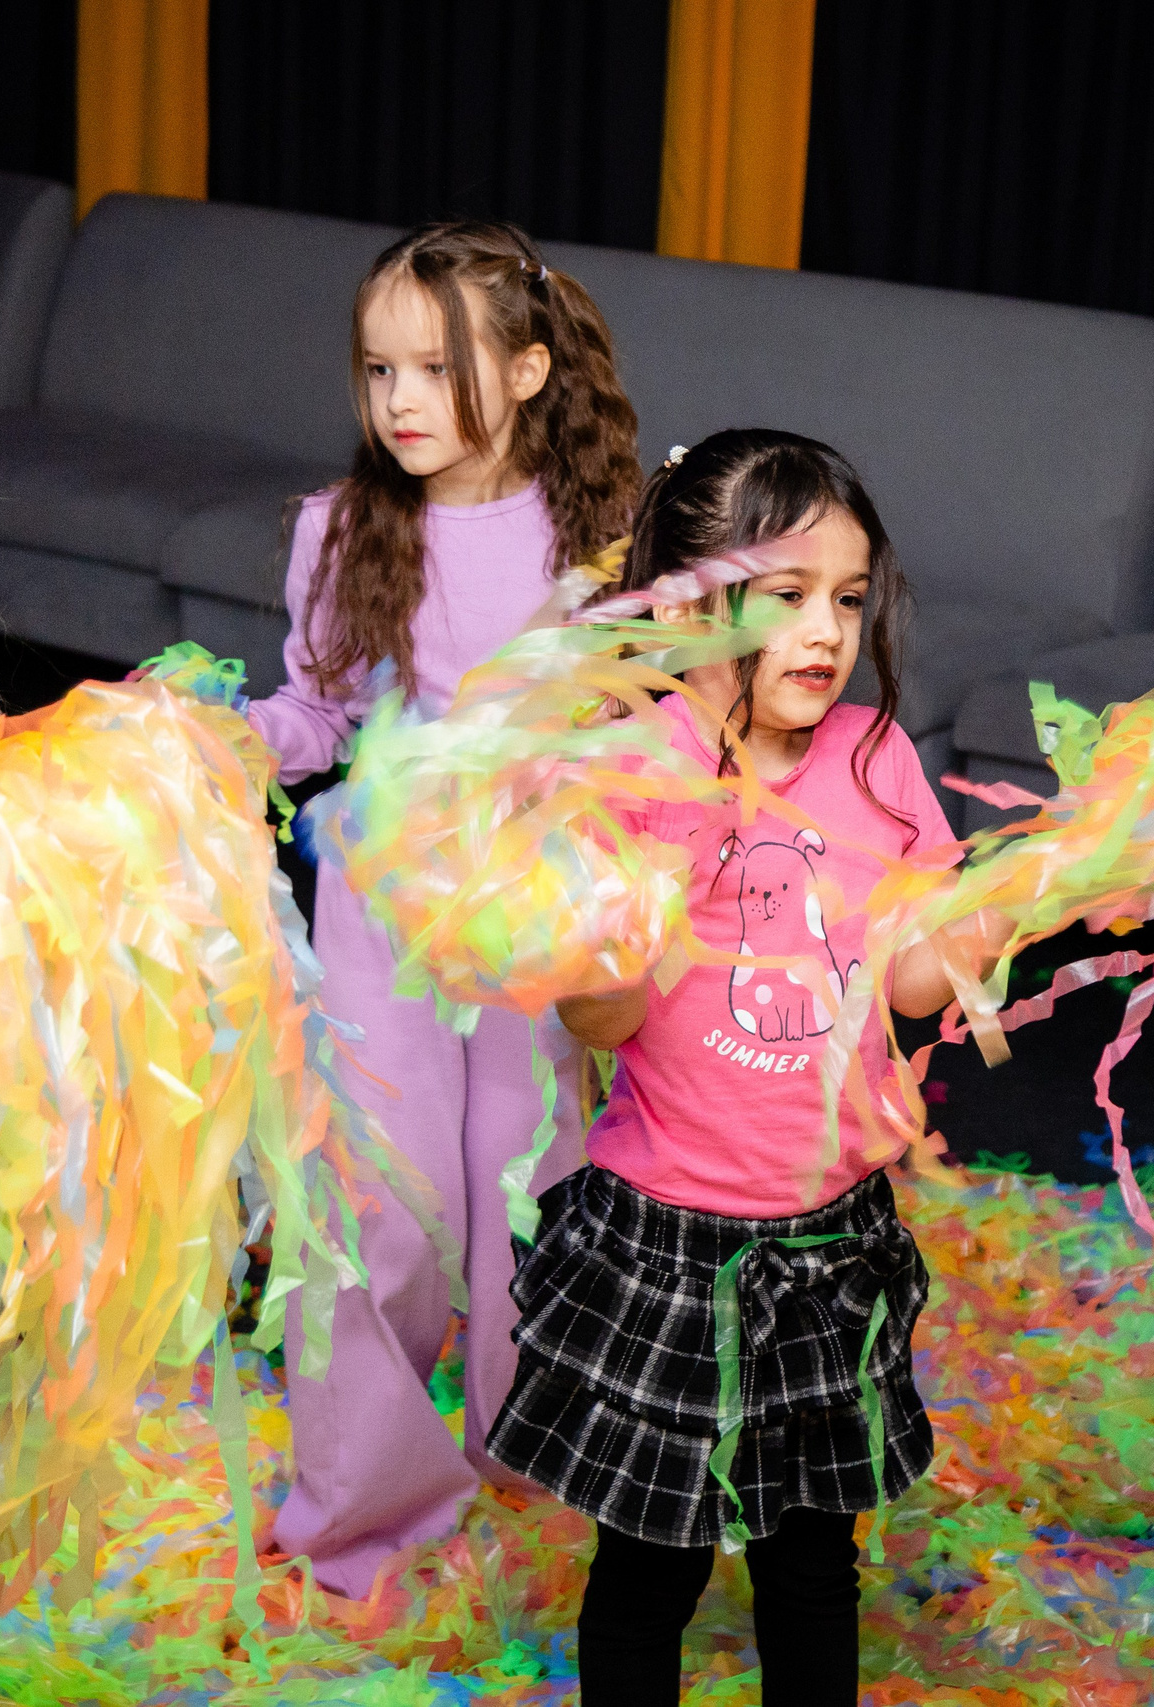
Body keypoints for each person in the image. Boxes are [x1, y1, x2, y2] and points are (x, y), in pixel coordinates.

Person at [489, 431, 949, 1706]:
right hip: (675, 1242)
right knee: (653, 1570)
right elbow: (602, 1021)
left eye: (847, 598)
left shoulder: (875, 758)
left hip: (832, 1238)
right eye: (787, 594)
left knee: (813, 1564)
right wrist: (592, 943)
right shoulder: (635, 770)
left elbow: (914, 983)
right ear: (691, 606)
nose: (827, 631)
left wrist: (1008, 909)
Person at [245, 220, 642, 1597]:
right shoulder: (347, 526)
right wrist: (225, 742)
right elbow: (317, 708)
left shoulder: (600, 542)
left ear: (528, 370)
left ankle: (531, 1461)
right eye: (379, 370)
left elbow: (639, 725)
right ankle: (363, 1500)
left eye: (435, 368)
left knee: (528, 1186)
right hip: (387, 909)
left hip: (535, 913)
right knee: (383, 1198)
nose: (399, 401)